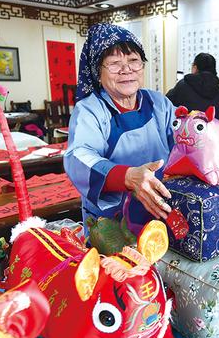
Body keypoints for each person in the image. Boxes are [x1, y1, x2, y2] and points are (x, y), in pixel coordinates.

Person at [64, 23, 174, 234]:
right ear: (98, 72)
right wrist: (128, 176)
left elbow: (185, 135)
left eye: (134, 60)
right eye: (114, 63)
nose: (127, 70)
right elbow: (79, 157)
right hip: (112, 224)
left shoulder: (158, 102)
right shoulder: (90, 109)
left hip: (160, 210)